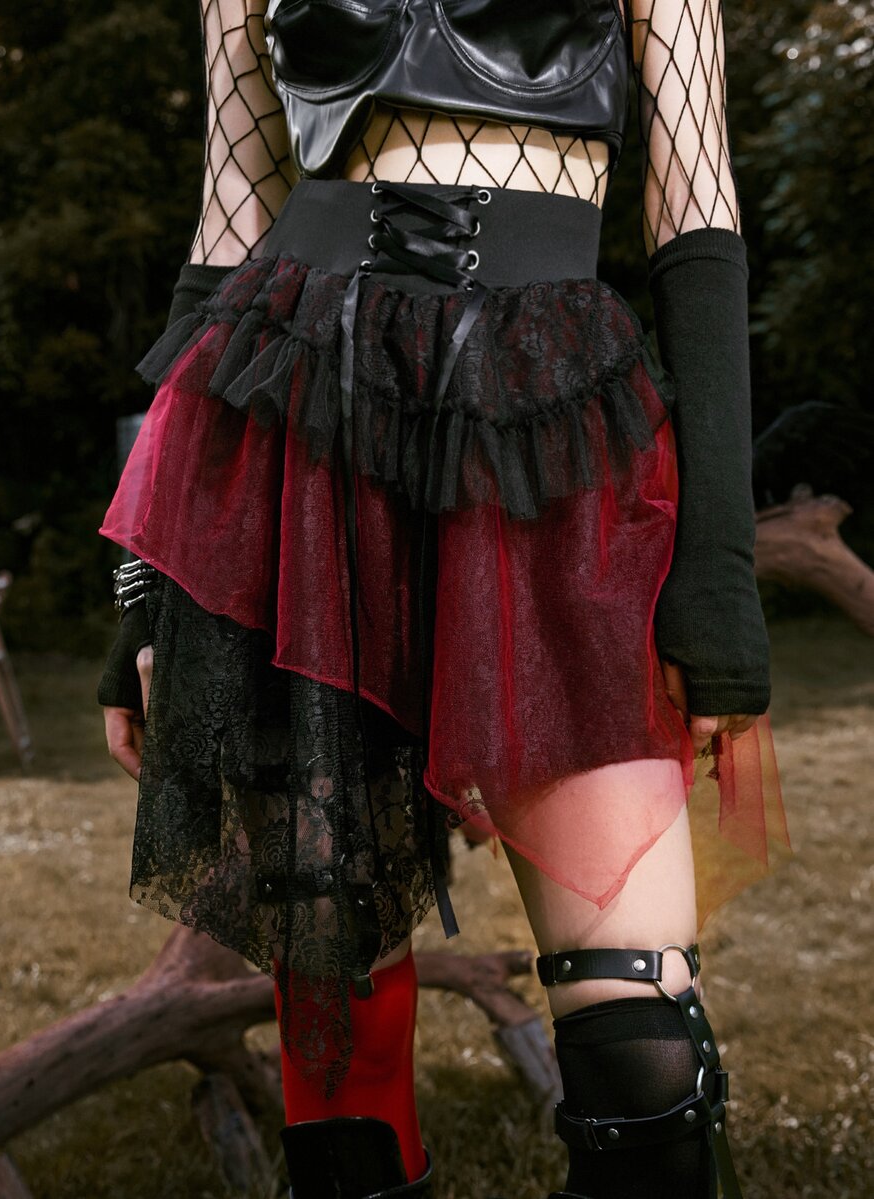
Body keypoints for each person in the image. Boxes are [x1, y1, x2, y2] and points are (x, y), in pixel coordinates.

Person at [98, 1, 787, 1195]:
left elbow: (698, 205)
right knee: (339, 1020)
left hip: (546, 423)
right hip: (301, 434)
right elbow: (230, 218)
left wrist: (719, 574)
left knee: (645, 1043)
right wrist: (148, 587)